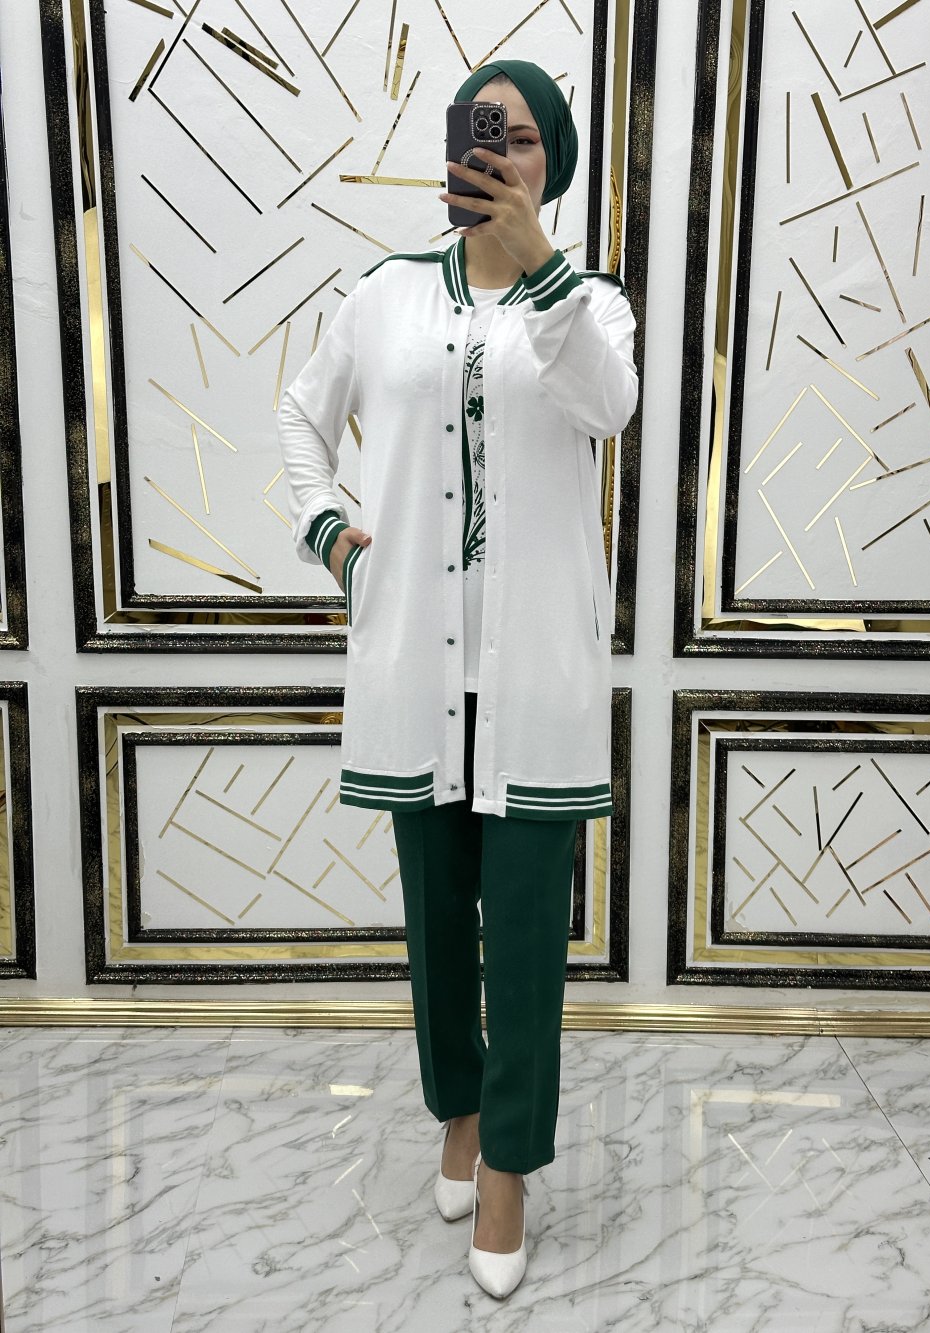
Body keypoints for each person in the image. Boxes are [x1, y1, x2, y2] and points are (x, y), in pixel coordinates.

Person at [277, 59, 638, 1298]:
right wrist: (329, 531)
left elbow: (608, 407)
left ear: (554, 160)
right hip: (414, 667)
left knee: (526, 935)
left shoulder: (593, 306)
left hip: (533, 675)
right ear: (451, 149)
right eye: (485, 134)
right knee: (435, 924)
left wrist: (541, 266)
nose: (501, 155)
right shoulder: (382, 295)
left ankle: (508, 1171)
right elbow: (300, 416)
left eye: (524, 138)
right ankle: (459, 1115)